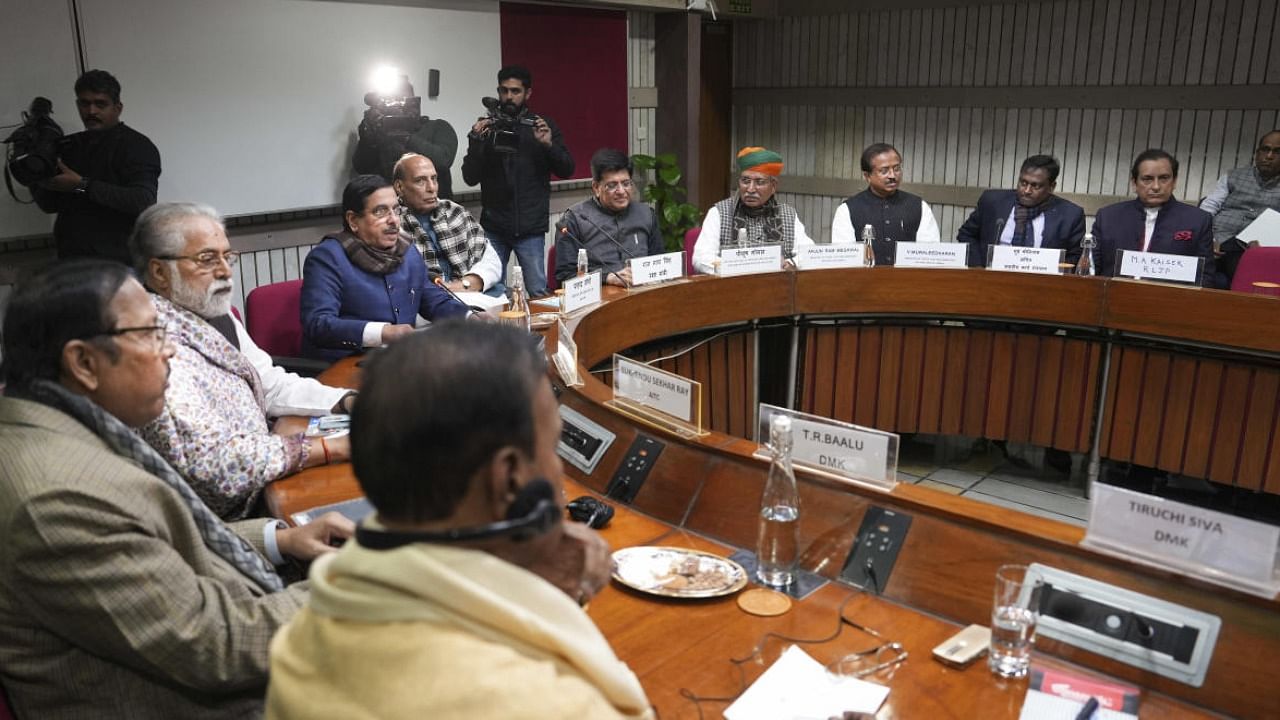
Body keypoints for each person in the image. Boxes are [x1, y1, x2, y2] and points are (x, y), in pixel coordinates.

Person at [0, 260, 353, 720]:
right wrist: (357, 581)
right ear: (83, 362)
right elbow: (217, 648)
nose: (170, 352)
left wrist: (278, 538)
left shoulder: (59, 427)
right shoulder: (58, 499)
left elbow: (146, 536)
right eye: (150, 333)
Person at [266, 323, 654, 719]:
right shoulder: (541, 702)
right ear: (510, 478)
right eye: (552, 449)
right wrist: (561, 604)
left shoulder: (300, 639)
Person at [130, 202, 356, 520]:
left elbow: (269, 385)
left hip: (267, 474)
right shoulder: (149, 340)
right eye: (207, 259)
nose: (225, 270)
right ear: (159, 272)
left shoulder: (212, 311)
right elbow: (212, 463)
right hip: (230, 519)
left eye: (227, 256)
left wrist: (346, 401)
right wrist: (329, 448)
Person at [300, 174, 469, 362]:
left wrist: (471, 317)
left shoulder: (408, 252)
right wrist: (382, 332)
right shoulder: (328, 258)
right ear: (353, 221)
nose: (394, 221)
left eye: (396, 210)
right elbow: (318, 324)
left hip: (400, 363)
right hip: (347, 365)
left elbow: (434, 302)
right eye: (381, 212)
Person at [461, 65, 575, 297]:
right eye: (504, 91)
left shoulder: (542, 126)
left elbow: (567, 169)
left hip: (530, 227)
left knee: (537, 291)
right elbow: (469, 177)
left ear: (528, 93)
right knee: (490, 291)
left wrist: (547, 145)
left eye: (515, 91)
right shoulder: (487, 128)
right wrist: (476, 142)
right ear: (498, 91)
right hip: (494, 226)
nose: (509, 97)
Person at [31, 69, 160, 264]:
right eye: (85, 103)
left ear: (117, 108)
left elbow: (143, 201)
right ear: (77, 105)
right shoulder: (71, 146)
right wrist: (34, 171)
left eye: (100, 104)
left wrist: (81, 185)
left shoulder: (136, 145)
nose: (91, 111)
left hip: (121, 264)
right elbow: (49, 204)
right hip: (73, 261)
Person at [1091, 149, 1218, 285]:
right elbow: (1092, 268)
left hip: (1172, 300)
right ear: (1134, 183)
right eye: (1147, 179)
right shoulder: (1108, 216)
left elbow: (1204, 276)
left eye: (1164, 178)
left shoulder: (1198, 220)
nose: (1156, 186)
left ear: (1174, 182)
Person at [394, 153, 504, 296]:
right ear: (399, 187)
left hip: (476, 295)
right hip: (429, 307)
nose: (431, 188)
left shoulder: (455, 212)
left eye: (434, 179)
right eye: (420, 181)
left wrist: (465, 285)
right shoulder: (392, 223)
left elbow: (491, 261)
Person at [691, 146, 813, 274]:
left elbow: (809, 253)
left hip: (776, 287)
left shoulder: (788, 215)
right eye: (745, 181)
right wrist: (735, 267)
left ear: (773, 186)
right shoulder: (719, 213)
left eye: (759, 182)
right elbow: (701, 258)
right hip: (732, 287)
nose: (750, 189)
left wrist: (790, 264)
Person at [554, 148, 664, 287]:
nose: (621, 191)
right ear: (596, 187)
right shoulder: (575, 219)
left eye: (626, 183)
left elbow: (659, 264)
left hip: (642, 294)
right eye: (612, 185)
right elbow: (564, 276)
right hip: (599, 297)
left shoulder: (647, 214)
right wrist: (607, 278)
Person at [956, 155, 1086, 267]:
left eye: (1036, 186)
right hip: (991, 280)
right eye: (1023, 183)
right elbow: (966, 234)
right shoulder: (993, 202)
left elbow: (1075, 256)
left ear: (1051, 187)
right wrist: (978, 267)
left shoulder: (1070, 215)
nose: (1027, 191)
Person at [831, 143, 940, 265]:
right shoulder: (847, 210)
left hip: (909, 280)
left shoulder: (919, 206)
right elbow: (844, 258)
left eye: (897, 169)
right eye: (884, 171)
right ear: (867, 176)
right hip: (864, 282)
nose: (892, 176)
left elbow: (930, 253)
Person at [353, 75, 459, 200]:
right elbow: (361, 167)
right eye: (389, 100)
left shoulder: (437, 127)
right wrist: (367, 140)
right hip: (392, 209)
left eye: (400, 99)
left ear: (413, 101)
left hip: (433, 209)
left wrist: (407, 138)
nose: (395, 104)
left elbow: (443, 160)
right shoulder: (380, 133)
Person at [1200, 129, 1280, 283]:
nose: (1269, 156)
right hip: (1218, 239)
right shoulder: (1232, 176)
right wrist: (1208, 238)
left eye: (1277, 152)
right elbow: (1209, 207)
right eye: (1265, 149)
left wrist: (1269, 246)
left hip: (1259, 248)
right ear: (1257, 153)